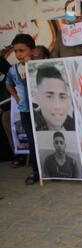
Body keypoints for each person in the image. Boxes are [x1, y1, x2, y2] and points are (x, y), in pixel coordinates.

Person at [5, 34, 39, 184]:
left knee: (43, 139)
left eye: (22, 50)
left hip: (40, 110)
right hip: (25, 111)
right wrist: (17, 97)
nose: (19, 54)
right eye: (16, 51)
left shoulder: (38, 64)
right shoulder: (13, 70)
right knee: (32, 141)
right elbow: (8, 84)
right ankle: (36, 171)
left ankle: (49, 169)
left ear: (32, 50)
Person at [33, 65, 75, 131]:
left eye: (62, 96)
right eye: (49, 96)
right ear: (38, 98)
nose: (57, 106)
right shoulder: (34, 126)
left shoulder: (72, 125)